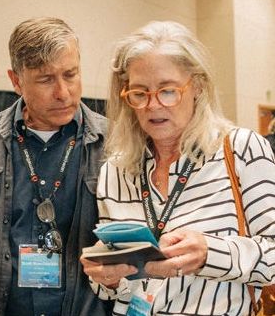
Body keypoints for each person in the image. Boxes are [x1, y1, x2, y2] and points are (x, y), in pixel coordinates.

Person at [80, 20, 275, 315]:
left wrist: (209, 254)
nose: (153, 105)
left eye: (168, 90)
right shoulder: (115, 170)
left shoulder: (241, 150)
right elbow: (112, 289)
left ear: (197, 85)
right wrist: (105, 279)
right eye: (139, 93)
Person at [0, 17, 112, 316]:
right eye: (46, 79)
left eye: (70, 74)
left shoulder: (113, 144)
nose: (63, 92)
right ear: (16, 80)